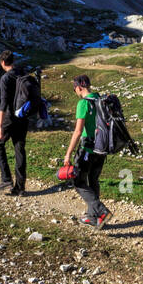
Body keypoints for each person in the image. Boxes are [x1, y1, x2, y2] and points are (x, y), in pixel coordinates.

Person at [63, 74, 111, 228]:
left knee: (78, 181)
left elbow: (78, 132)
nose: (75, 92)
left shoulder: (83, 104)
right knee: (93, 180)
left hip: (87, 149)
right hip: (101, 148)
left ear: (79, 87)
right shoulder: (100, 99)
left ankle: (101, 211)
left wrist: (68, 153)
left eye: (74, 89)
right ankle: (93, 217)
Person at [0, 50, 27, 196]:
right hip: (23, 116)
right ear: (13, 61)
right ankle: (20, 187)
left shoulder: (5, 78)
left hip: (10, 117)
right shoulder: (22, 74)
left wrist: (0, 125)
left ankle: (6, 178)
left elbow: (4, 102)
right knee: (19, 149)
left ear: (2, 62)